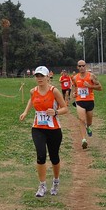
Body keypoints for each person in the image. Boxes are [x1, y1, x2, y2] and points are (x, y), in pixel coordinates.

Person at [19, 66, 68, 197]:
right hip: (38, 128)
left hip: (54, 129)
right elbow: (31, 99)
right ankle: (42, 185)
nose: (39, 78)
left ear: (48, 77)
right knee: (40, 155)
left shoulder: (54, 91)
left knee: (54, 157)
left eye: (42, 76)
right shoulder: (33, 91)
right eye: (37, 76)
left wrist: (56, 112)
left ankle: (56, 181)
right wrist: (25, 112)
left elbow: (65, 108)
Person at [71, 60, 102, 149]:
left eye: (83, 66)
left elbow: (100, 87)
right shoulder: (75, 78)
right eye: (79, 66)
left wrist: (90, 86)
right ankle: (84, 139)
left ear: (86, 66)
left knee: (89, 121)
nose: (81, 67)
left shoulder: (91, 76)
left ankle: (88, 127)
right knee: (81, 119)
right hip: (79, 100)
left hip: (89, 101)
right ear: (77, 67)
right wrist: (74, 93)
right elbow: (74, 86)